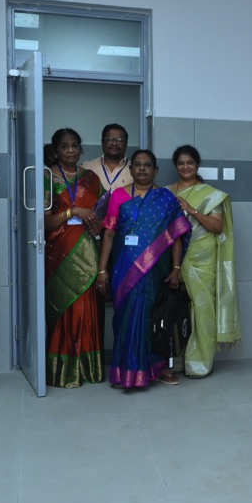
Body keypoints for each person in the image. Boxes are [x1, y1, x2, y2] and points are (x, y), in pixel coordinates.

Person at [95, 149, 191, 389]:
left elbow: (176, 236)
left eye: (147, 165)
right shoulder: (118, 195)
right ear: (130, 169)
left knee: (154, 320)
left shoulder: (166, 198)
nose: (141, 168)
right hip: (124, 271)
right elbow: (109, 234)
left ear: (155, 170)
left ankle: (157, 369)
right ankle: (124, 371)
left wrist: (176, 268)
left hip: (156, 272)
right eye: (137, 164)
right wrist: (102, 270)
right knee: (125, 320)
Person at [169, 145, 242, 378]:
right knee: (173, 309)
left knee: (203, 309)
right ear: (175, 166)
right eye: (181, 163)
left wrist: (192, 210)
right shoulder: (167, 192)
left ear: (197, 165)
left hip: (203, 259)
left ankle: (199, 362)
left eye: (190, 162)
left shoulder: (211, 194)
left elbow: (217, 227)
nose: (185, 167)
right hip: (173, 258)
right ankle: (174, 361)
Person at [43, 128, 105, 387]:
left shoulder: (91, 178)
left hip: (89, 251)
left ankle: (88, 369)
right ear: (55, 150)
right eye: (64, 146)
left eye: (74, 145)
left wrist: (98, 225)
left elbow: (102, 214)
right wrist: (72, 212)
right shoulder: (46, 177)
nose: (70, 150)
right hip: (59, 253)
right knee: (65, 306)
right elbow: (44, 223)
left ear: (81, 148)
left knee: (87, 308)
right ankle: (63, 371)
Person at [81, 123, 133, 192]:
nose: (114, 143)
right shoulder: (87, 167)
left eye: (119, 140)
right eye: (109, 139)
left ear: (126, 144)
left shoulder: (135, 170)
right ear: (102, 142)